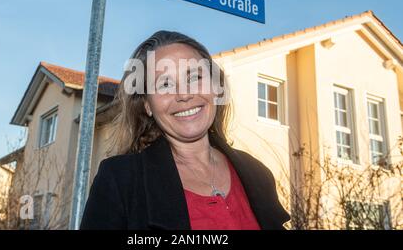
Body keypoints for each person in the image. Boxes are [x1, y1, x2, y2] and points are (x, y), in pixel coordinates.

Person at [80, 30, 290, 230]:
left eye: (194, 78)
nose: (184, 94)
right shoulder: (120, 181)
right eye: (164, 84)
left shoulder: (258, 173)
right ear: (147, 105)